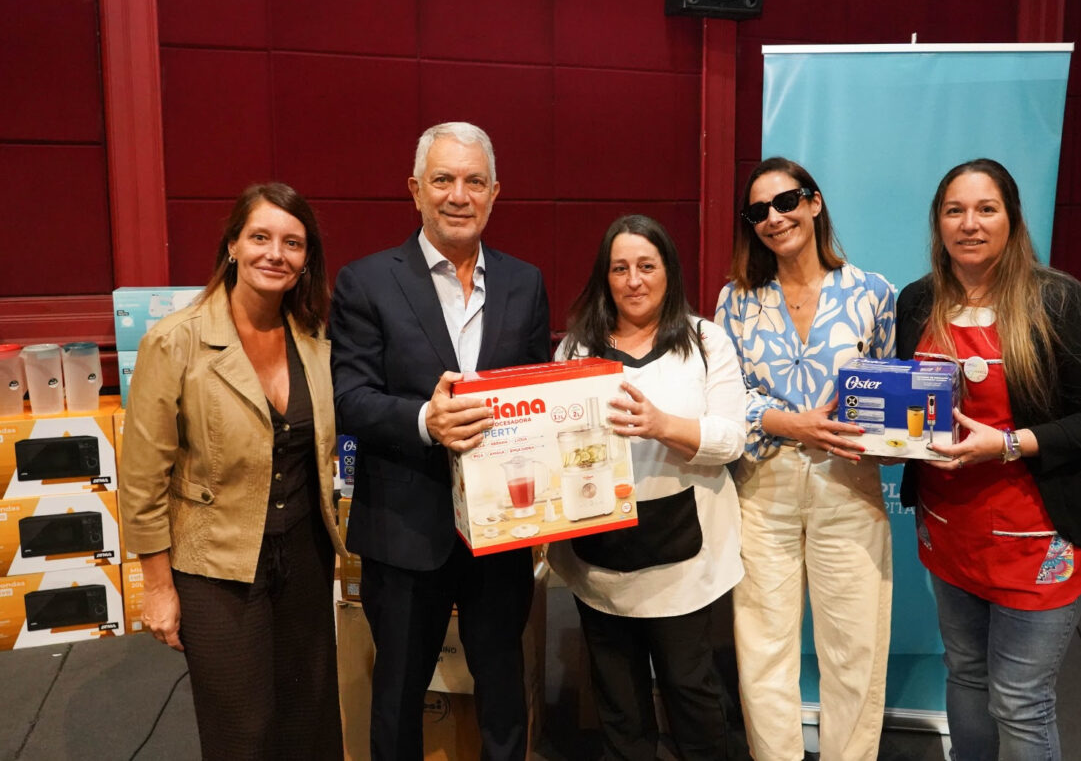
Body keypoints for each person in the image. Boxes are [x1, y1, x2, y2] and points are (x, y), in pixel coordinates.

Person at [329, 122, 550, 760]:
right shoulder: (365, 281)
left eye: (474, 181)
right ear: (416, 190)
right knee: (398, 694)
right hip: (404, 530)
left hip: (500, 533)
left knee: (504, 687)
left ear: (495, 192)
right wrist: (426, 421)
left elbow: (537, 394)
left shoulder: (524, 282)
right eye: (444, 179)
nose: (459, 194)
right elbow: (349, 399)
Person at [896, 158, 1081, 760]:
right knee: (966, 675)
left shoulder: (1060, 302)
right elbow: (911, 405)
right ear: (938, 224)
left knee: (1021, 699)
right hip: (951, 532)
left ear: (1012, 219)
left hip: (1039, 536)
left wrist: (1008, 443)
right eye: (955, 210)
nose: (970, 224)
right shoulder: (917, 301)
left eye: (986, 209)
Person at [119, 182, 345, 759]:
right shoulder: (175, 342)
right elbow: (143, 479)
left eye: (292, 243)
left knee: (309, 720)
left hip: (305, 555)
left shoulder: (315, 341)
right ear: (233, 247)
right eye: (261, 237)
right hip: (214, 566)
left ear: (306, 260)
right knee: (242, 731)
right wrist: (158, 587)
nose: (276, 254)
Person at [715, 157, 896, 761]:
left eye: (786, 201)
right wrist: (789, 421)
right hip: (761, 489)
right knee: (764, 651)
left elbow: (890, 394)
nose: (774, 217)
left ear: (815, 203)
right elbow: (723, 401)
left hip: (848, 487)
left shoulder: (874, 294)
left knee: (854, 653)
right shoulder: (736, 302)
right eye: (758, 211)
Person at [550, 214, 747, 760]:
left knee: (691, 691)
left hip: (685, 558)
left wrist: (663, 425)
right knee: (618, 700)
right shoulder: (575, 351)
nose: (633, 280)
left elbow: (732, 438)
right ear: (604, 277)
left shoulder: (706, 341)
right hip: (601, 557)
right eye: (620, 268)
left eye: (646, 266)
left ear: (669, 272)